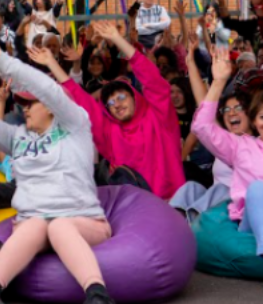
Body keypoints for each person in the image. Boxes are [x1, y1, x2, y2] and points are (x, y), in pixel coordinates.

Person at [0, 38, 118, 304]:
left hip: (82, 219)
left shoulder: (75, 124)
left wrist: (2, 61)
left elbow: (49, 89)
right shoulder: (18, 137)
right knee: (37, 223)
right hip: (34, 220)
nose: (25, 108)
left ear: (52, 108)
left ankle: (98, 296)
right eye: (23, 104)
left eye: (31, 103)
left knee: (60, 225)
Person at [51, 21, 184, 199]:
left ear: (135, 98)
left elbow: (151, 78)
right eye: (110, 103)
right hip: (132, 211)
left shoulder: (159, 118)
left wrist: (117, 39)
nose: (117, 104)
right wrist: (51, 63)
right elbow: (82, 101)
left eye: (121, 97)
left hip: (171, 206)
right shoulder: (109, 132)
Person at [190, 49, 263, 257]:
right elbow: (202, 127)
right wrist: (219, 82)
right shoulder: (241, 146)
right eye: (261, 117)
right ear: (255, 121)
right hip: (250, 222)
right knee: (258, 190)